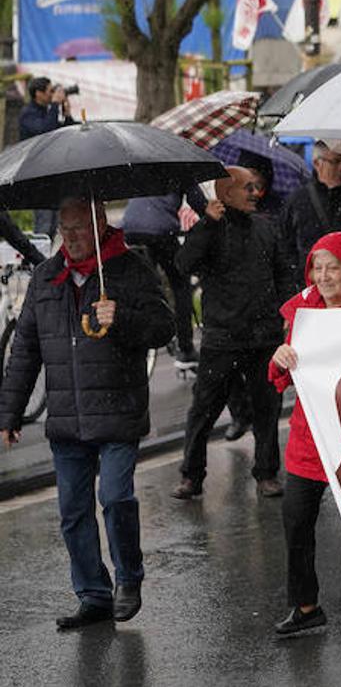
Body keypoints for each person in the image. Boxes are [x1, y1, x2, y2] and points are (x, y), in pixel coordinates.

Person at [0, 197, 174, 629]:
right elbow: (26, 349)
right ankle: (93, 594)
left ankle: (128, 578)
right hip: (67, 417)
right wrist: (9, 413)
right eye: (65, 228)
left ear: (100, 226)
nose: (71, 238)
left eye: (79, 229)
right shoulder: (46, 276)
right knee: (73, 512)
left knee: (115, 497)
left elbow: (163, 327)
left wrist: (123, 318)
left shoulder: (130, 268)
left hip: (117, 410)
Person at [268, 232, 341, 637]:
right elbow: (282, 373)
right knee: (296, 518)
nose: (324, 275)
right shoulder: (304, 315)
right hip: (309, 436)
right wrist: (280, 357)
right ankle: (305, 605)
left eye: (333, 266)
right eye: (317, 267)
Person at [171, 167, 294, 500]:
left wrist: (287, 312)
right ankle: (191, 476)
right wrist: (207, 224)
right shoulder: (210, 228)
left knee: (267, 408)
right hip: (222, 338)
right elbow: (182, 265)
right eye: (248, 187)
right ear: (226, 194)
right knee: (203, 409)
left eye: (257, 186)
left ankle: (267, 473)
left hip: (264, 336)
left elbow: (284, 272)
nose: (256, 192)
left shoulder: (266, 228)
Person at [123, 187, 208, 370]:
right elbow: (200, 204)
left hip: (130, 226)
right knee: (181, 284)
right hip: (160, 229)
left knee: (145, 285)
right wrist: (212, 221)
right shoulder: (179, 165)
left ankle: (141, 332)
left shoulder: (144, 162)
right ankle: (185, 348)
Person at [280, 144, 341, 286]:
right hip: (312, 288)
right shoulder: (298, 200)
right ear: (317, 163)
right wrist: (300, 274)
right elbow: (285, 247)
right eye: (335, 161)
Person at [18, 77, 75, 238]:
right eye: (50, 91)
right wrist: (55, 104)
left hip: (52, 173)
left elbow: (66, 132)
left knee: (55, 225)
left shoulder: (47, 112)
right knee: (44, 224)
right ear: (38, 94)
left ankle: (49, 260)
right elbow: (46, 132)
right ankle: (40, 261)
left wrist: (67, 114)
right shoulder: (27, 114)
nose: (53, 95)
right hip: (37, 176)